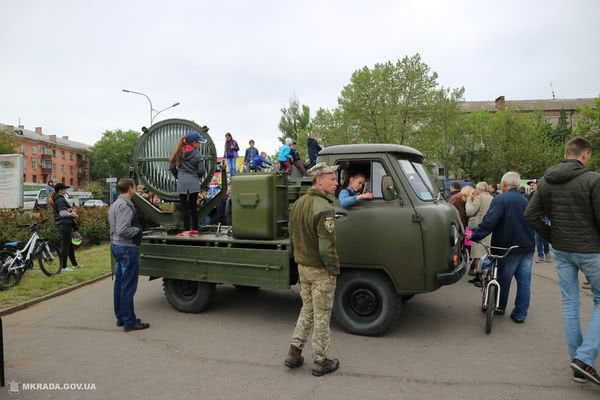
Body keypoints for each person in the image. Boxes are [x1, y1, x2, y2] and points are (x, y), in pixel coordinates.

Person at [525, 137, 600, 385]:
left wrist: (553, 237)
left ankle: (578, 362)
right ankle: (584, 359)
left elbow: (531, 215)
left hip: (562, 251)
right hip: (591, 251)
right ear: (585, 154)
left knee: (570, 304)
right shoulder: (592, 179)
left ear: (567, 153)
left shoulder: (546, 181)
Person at [285, 162, 340, 377]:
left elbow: (292, 236)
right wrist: (333, 269)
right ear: (319, 180)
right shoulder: (324, 208)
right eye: (332, 179)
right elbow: (327, 246)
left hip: (303, 267)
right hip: (320, 270)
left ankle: (294, 352)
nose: (336, 183)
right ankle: (320, 361)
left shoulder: (299, 203)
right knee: (322, 315)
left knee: (307, 310)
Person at [469, 172, 535, 323]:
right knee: (524, 282)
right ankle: (520, 314)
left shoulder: (501, 199)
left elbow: (490, 221)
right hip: (526, 247)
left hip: (507, 247)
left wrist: (475, 235)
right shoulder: (526, 200)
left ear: (504, 184)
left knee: (503, 280)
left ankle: (499, 306)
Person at [108, 178, 149, 332]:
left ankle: (121, 317)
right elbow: (123, 229)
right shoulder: (125, 205)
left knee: (120, 284)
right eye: (134, 187)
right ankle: (129, 322)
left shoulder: (115, 204)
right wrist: (138, 230)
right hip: (127, 248)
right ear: (131, 188)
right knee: (128, 287)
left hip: (117, 246)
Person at [169, 130, 207, 237]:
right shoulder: (197, 154)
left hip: (182, 183)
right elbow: (202, 170)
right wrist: (196, 177)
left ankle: (186, 230)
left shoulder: (178, 152)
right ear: (194, 143)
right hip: (194, 183)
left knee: (184, 207)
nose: (199, 145)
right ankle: (195, 230)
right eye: (199, 143)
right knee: (193, 206)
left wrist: (178, 176)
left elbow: (172, 167)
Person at [465, 182, 493, 285]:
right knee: (486, 252)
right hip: (489, 228)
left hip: (478, 229)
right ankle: (483, 276)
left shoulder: (479, 198)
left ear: (479, 189)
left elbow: (469, 211)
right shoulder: (491, 198)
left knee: (477, 253)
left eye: (476, 188)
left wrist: (468, 201)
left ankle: (479, 276)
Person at [52, 183, 81, 272]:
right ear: (60, 190)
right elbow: (62, 213)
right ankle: (63, 267)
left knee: (69, 245)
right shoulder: (60, 200)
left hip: (65, 224)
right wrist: (72, 214)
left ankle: (74, 264)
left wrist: (70, 210)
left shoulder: (59, 199)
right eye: (65, 189)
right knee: (65, 246)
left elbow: (65, 210)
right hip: (64, 224)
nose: (66, 190)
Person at [527, 180, 551, 263]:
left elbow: (547, 206)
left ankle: (547, 253)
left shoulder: (543, 195)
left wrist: (544, 215)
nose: (531, 187)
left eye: (533, 185)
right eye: (530, 185)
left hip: (544, 217)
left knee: (544, 237)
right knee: (537, 238)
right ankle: (540, 256)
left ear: (538, 185)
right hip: (535, 219)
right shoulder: (530, 195)